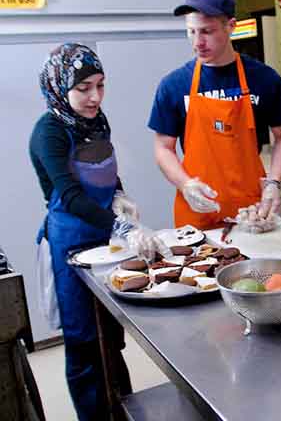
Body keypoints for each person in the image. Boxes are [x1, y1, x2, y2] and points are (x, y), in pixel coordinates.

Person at [30, 44, 168, 420]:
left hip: (106, 241)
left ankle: (121, 408)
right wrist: (122, 225)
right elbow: (71, 196)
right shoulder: (49, 133)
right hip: (72, 244)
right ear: (60, 88)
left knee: (110, 333)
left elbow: (105, 168)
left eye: (100, 85)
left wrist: (119, 193)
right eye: (84, 88)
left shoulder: (95, 120)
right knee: (83, 341)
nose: (94, 97)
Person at [149, 0, 281, 229]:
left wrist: (273, 183)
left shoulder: (265, 79)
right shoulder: (173, 85)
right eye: (191, 32)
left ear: (231, 26)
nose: (197, 43)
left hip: (251, 210)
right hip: (197, 210)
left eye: (206, 31)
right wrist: (186, 185)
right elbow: (163, 148)